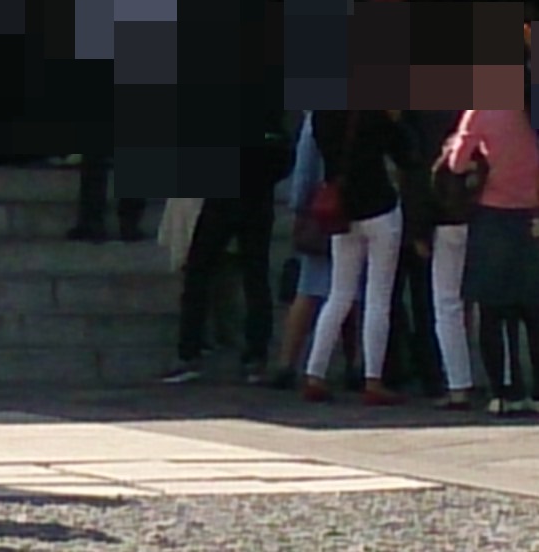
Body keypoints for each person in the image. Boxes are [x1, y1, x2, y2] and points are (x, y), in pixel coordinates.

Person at [427, 100, 539, 415]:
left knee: (492, 309)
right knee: (533, 310)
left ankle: (501, 393)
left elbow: (456, 163)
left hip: (492, 215)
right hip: (530, 214)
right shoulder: (530, 111)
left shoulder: (479, 111)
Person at [157, 113, 287, 387]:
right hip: (256, 200)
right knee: (254, 277)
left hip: (225, 199)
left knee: (199, 272)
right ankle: (255, 356)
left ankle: (190, 353)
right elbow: (283, 158)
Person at [299, 106, 407, 404]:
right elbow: (406, 155)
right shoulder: (376, 112)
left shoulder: (322, 114)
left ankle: (314, 371)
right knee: (378, 298)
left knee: (338, 294)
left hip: (342, 210)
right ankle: (373, 378)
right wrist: (396, 121)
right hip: (379, 208)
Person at [265, 113, 329, 389]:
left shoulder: (318, 117)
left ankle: (287, 363)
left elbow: (305, 169)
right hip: (363, 208)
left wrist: (299, 208)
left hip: (322, 209)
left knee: (309, 290)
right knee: (354, 294)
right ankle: (355, 364)